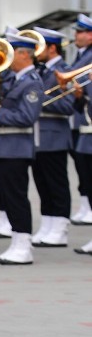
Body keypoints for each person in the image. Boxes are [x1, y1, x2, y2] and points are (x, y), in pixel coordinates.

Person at [0, 32, 43, 264]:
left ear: (25, 55)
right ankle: (17, 242)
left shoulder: (32, 83)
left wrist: (0, 112)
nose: (7, 59)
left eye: (12, 53)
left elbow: (28, 116)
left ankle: (23, 245)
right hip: (4, 146)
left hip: (17, 146)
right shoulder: (14, 81)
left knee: (16, 197)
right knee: (8, 196)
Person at [30, 26, 74, 247]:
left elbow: (68, 106)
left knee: (56, 184)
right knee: (42, 184)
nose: (35, 51)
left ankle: (61, 227)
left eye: (39, 46)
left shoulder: (63, 70)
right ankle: (47, 224)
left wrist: (38, 104)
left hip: (54, 136)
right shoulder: (41, 71)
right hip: (39, 138)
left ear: (52, 48)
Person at [69, 14, 92, 226]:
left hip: (87, 119)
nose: (76, 35)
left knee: (87, 169)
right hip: (81, 119)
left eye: (81, 31)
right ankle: (85, 205)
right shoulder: (79, 55)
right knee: (82, 168)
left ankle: (88, 207)